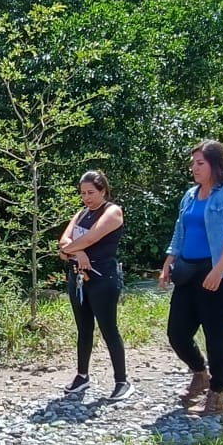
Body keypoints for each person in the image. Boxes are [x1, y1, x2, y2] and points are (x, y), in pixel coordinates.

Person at [159, 142, 223, 417]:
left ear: (215, 164)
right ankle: (200, 373)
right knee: (177, 333)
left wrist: (220, 269)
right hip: (188, 272)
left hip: (218, 274)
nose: (194, 168)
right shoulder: (190, 195)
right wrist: (168, 263)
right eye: (193, 163)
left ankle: (217, 393)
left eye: (200, 163)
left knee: (217, 337)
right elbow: (179, 232)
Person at [58, 170, 132, 401]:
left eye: (91, 192)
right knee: (84, 328)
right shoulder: (81, 214)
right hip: (79, 278)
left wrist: (71, 249)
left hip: (103, 278)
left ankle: (122, 380)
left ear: (103, 190)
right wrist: (77, 252)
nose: (86, 197)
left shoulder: (112, 211)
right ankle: (82, 375)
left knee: (109, 328)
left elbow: (90, 238)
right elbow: (63, 241)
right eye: (83, 193)